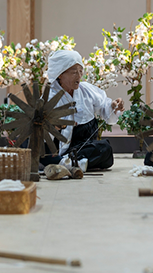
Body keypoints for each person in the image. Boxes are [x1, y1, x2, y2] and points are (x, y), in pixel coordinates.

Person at [41, 50, 124, 179]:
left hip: (84, 148)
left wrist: (113, 106)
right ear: (60, 75)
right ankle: (67, 163)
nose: (79, 75)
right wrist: (55, 127)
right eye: (74, 72)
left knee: (105, 148)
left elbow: (105, 109)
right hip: (58, 149)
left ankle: (66, 165)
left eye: (80, 71)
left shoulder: (87, 90)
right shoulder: (49, 97)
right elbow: (41, 132)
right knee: (44, 154)